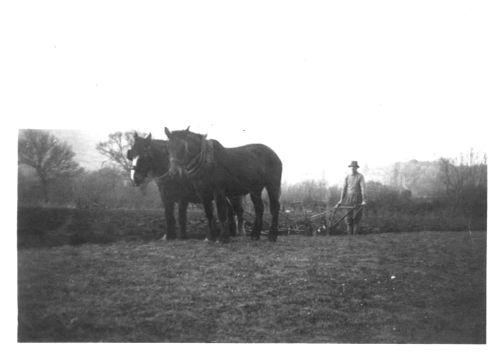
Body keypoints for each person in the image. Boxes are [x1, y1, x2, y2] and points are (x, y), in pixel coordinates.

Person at [337, 161, 367, 235]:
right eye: (352, 167)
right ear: (350, 167)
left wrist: (363, 200)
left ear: (357, 168)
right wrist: (341, 200)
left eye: (355, 167)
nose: (353, 168)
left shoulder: (360, 176)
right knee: (348, 218)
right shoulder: (347, 176)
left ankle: (355, 236)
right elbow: (344, 188)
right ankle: (349, 237)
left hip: (358, 198)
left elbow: (363, 188)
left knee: (357, 218)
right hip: (348, 199)